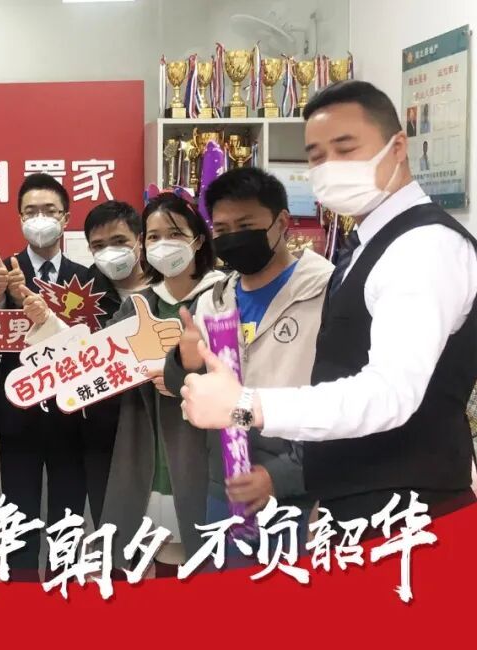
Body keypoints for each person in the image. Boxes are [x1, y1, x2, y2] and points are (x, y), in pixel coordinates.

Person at [180, 80, 477, 525]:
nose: (330, 166)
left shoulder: (423, 246)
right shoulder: (366, 246)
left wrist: (246, 405)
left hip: (411, 511)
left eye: (346, 147)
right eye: (317, 156)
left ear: (398, 147)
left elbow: (390, 394)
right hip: (358, 502)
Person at [27, 191, 223, 575]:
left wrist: (187, 375)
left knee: (210, 553)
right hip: (147, 445)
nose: (163, 245)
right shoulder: (139, 304)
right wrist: (47, 323)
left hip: (207, 445)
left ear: (198, 239)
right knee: (157, 553)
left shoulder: (224, 294)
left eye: (175, 234)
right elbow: (91, 356)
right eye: (155, 237)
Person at [163, 167, 332, 561]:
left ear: (281, 223)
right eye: (222, 229)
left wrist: (283, 475)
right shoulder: (214, 298)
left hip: (302, 486)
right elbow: (178, 386)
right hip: (225, 481)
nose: (233, 238)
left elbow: (347, 397)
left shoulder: (327, 292)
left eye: (245, 225)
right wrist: (185, 361)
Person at [0, 173, 91, 576]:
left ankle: (63, 598)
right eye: (31, 211)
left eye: (49, 210)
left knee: (68, 517)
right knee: (19, 514)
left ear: (66, 218)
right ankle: (22, 601)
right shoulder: (0, 273)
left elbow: (92, 343)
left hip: (72, 413)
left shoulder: (87, 276)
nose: (40, 218)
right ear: (19, 218)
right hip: (18, 412)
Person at [80, 200, 148, 524]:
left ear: (140, 240)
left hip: (159, 424)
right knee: (111, 526)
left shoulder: (170, 286)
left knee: (165, 528)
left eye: (119, 241)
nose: (110, 251)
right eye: (99, 245)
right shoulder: (79, 294)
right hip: (103, 427)